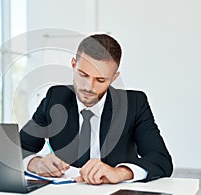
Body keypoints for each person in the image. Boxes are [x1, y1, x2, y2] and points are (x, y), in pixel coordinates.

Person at [19, 34, 173, 185]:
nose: (88, 87)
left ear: (114, 77)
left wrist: (120, 173)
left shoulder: (134, 104)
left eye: (100, 80)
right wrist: (35, 163)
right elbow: (18, 148)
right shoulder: (56, 98)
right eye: (83, 75)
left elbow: (161, 159)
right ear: (73, 65)